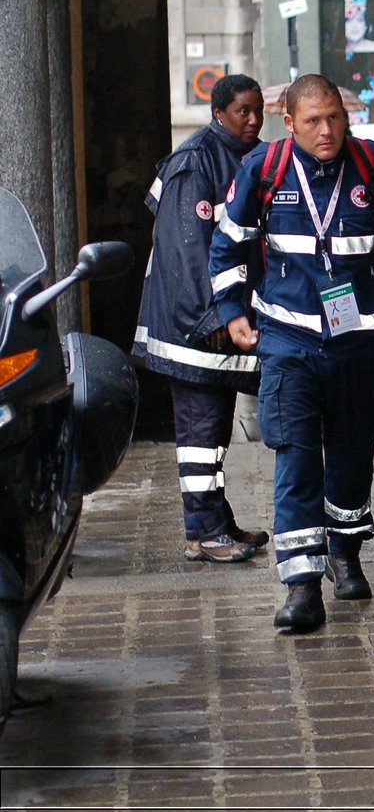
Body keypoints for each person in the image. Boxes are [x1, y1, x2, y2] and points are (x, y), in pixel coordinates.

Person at [208, 73, 374, 633]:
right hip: (288, 343)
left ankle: (345, 552)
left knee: (350, 453)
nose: (327, 131)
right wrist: (232, 311)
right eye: (314, 121)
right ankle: (301, 587)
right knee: (295, 456)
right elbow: (226, 244)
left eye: (336, 118)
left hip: (358, 341)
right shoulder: (264, 171)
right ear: (288, 121)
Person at [133, 74, 269, 563]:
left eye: (257, 111)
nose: (253, 120)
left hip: (214, 322)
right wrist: (212, 315)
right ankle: (203, 532)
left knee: (213, 434)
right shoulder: (195, 161)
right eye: (242, 112)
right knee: (199, 434)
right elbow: (187, 249)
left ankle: (217, 522)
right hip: (192, 326)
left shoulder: (247, 155)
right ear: (218, 114)